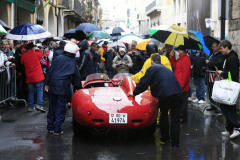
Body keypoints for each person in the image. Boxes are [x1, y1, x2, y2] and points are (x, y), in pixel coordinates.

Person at [128, 54, 183, 147]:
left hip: (165, 95)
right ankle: (175, 143)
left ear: (152, 61)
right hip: (178, 93)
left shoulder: (152, 68)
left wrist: (133, 92)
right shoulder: (166, 69)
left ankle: (165, 139)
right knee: (175, 119)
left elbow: (144, 83)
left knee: (164, 115)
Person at [45, 42, 82, 136]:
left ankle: (50, 127)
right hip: (63, 86)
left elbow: (50, 71)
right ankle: (57, 129)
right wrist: (78, 88)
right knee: (60, 108)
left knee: (52, 106)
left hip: (53, 84)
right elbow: (76, 77)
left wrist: (47, 83)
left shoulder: (57, 58)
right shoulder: (72, 62)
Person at [216, 40, 240, 139]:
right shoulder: (229, 57)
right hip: (229, 86)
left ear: (226, 47)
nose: (220, 50)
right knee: (228, 107)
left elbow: (233, 74)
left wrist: (222, 73)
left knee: (226, 107)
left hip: (231, 87)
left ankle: (237, 127)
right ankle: (230, 128)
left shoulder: (232, 58)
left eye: (221, 48)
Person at [21, 43, 45, 112]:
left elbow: (22, 63)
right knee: (39, 90)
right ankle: (39, 105)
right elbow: (41, 54)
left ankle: (31, 106)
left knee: (31, 91)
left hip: (29, 76)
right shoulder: (36, 54)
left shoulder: (24, 55)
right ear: (32, 48)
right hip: (38, 76)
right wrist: (37, 49)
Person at [169, 45, 191, 123]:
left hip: (181, 85)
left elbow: (185, 74)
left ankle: (183, 118)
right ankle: (180, 116)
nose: (177, 52)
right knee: (180, 102)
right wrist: (172, 57)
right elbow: (175, 65)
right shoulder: (181, 58)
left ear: (182, 51)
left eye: (178, 50)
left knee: (183, 102)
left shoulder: (185, 59)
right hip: (179, 84)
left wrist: (181, 86)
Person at [206, 41, 225, 111]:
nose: (212, 48)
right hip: (211, 76)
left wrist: (209, 62)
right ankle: (212, 105)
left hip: (217, 77)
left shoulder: (220, 55)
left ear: (218, 47)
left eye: (213, 47)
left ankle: (218, 106)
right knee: (211, 91)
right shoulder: (213, 54)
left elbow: (217, 63)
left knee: (217, 91)